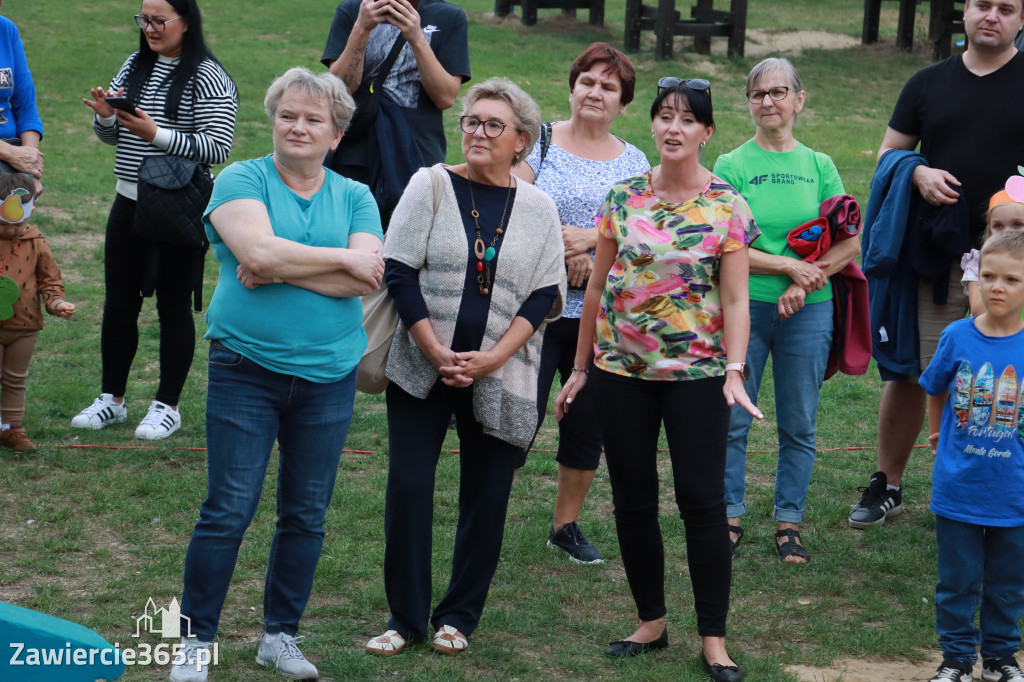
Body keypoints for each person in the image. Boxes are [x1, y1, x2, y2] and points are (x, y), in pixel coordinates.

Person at [168, 67, 384, 682]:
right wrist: (335, 257)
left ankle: (279, 637)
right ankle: (195, 642)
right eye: (289, 114)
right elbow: (260, 253)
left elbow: (368, 277)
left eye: (314, 119)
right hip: (247, 368)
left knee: (306, 512)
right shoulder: (242, 177)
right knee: (228, 509)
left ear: (336, 134)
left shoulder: (356, 196)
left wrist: (282, 264)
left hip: (329, 374)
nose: (299, 126)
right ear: (274, 120)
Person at [555, 78, 761, 680]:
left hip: (698, 376)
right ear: (653, 125)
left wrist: (734, 370)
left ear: (706, 132)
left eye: (687, 120)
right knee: (633, 497)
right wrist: (581, 366)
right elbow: (595, 286)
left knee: (703, 502)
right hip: (621, 372)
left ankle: (714, 639)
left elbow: (737, 298)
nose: (674, 128)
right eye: (665, 117)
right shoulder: (621, 197)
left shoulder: (727, 205)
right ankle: (650, 621)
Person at [364, 77, 565, 657]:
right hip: (421, 363)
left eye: (492, 125)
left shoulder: (539, 207)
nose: (478, 132)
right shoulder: (429, 184)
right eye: (472, 122)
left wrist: (494, 357)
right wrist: (431, 346)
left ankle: (458, 616)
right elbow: (398, 269)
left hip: (503, 372)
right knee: (407, 486)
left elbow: (544, 295)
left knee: (488, 494)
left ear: (521, 141)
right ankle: (404, 618)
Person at [850, 0, 1024, 528]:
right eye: (980, 5)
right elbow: (887, 153)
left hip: (1014, 266)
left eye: (1006, 8)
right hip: (937, 259)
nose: (991, 15)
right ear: (964, 14)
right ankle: (889, 483)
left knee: (1011, 376)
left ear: (1021, 19)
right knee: (912, 372)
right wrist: (916, 173)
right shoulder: (927, 83)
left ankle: (1000, 492)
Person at [714, 58, 860, 563]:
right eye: (758, 94)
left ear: (799, 100)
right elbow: (725, 240)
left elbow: (849, 241)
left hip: (810, 311)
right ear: (749, 103)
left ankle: (789, 523)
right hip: (745, 305)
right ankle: (728, 515)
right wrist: (789, 269)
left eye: (779, 92)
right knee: (734, 416)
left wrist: (808, 278)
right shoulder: (732, 165)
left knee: (799, 423)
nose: (768, 102)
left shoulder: (819, 165)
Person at [76, 0, 237, 440]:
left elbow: (217, 146)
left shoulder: (207, 75)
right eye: (143, 19)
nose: (149, 28)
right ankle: (112, 399)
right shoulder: (134, 65)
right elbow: (111, 137)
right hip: (127, 201)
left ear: (186, 22)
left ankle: (168, 405)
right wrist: (105, 118)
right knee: (119, 304)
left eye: (158, 20)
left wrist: (156, 135)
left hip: (177, 208)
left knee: (173, 309)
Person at [516, 42, 649, 565]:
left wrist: (592, 245)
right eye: (588, 82)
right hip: (537, 309)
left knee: (586, 422)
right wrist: (562, 243)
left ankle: (565, 525)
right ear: (572, 88)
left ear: (623, 102)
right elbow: (512, 200)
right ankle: (485, 508)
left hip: (598, 315)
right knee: (515, 413)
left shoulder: (636, 160)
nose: (596, 92)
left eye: (608, 87)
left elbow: (638, 234)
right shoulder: (539, 142)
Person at [919, 229, 1024, 682]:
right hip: (959, 486)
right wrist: (935, 433)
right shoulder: (957, 335)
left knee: (1006, 585)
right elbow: (935, 387)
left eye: (1012, 279)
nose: (997, 286)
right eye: (988, 276)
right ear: (976, 278)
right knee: (957, 581)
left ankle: (1000, 658)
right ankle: (957, 659)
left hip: (1014, 493)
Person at [321, 0, 470, 184]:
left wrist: (417, 38)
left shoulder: (449, 16)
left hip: (415, 156)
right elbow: (340, 90)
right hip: (354, 154)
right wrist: (361, 27)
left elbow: (445, 97)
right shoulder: (352, 10)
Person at [0, 172, 74, 451]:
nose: (10, 231)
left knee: (16, 379)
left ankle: (12, 429)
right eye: (4, 223)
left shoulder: (37, 242)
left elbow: (49, 280)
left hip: (25, 326)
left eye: (17, 224)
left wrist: (56, 303)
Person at [961, 187, 1024, 316]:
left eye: (1017, 224)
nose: (1007, 232)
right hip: (993, 334)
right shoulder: (979, 262)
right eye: (998, 226)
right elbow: (979, 311)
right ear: (989, 230)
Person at [0, 4, 44, 185]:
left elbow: (26, 109)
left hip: (10, 161)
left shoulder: (6, 30)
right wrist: (10, 153)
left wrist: (31, 173)